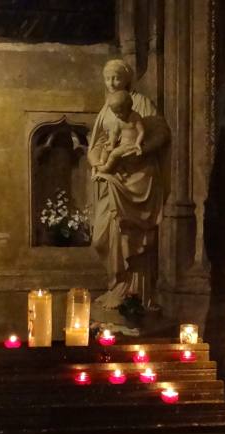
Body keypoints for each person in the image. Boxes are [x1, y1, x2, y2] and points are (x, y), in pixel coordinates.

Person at [88, 59, 170, 310]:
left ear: (127, 78)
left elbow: (161, 133)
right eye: (107, 78)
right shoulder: (106, 108)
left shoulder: (141, 103)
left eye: (116, 78)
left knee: (134, 236)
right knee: (102, 237)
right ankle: (117, 286)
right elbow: (98, 144)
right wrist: (95, 161)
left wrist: (140, 151)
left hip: (138, 178)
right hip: (112, 180)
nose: (111, 83)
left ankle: (135, 296)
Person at [97, 90, 145, 173]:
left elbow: (141, 131)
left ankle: (107, 168)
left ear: (128, 108)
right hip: (122, 144)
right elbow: (115, 134)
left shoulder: (135, 117)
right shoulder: (119, 120)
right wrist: (111, 142)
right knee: (106, 148)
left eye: (119, 112)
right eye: (115, 113)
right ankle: (101, 162)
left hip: (131, 145)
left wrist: (138, 143)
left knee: (114, 154)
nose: (117, 115)